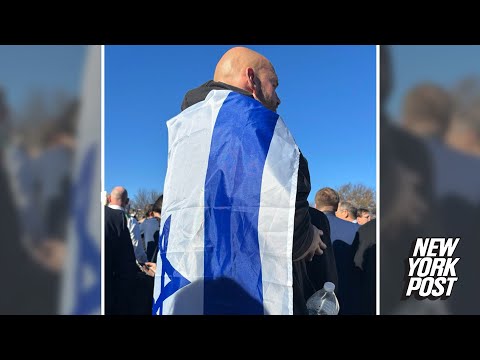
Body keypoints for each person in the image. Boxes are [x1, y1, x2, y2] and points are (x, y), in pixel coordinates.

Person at [149, 47, 330, 315]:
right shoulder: (261, 132)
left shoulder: (186, 130)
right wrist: (310, 237)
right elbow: (290, 233)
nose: (278, 98)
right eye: (274, 84)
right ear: (251, 79)